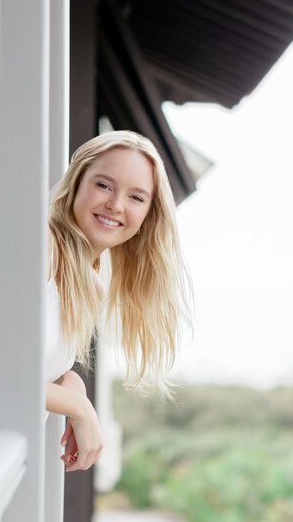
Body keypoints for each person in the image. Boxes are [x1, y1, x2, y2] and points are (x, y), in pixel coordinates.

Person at [44, 131, 191, 471]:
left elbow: (36, 362)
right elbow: (0, 370)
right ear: (77, 182)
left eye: (136, 197)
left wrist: (72, 381)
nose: (116, 205)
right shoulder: (45, 245)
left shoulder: (89, 281)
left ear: (148, 216)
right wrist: (79, 407)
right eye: (104, 185)